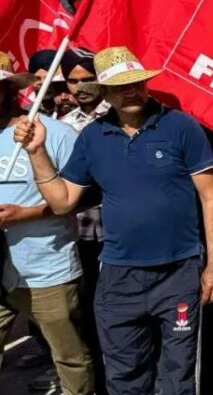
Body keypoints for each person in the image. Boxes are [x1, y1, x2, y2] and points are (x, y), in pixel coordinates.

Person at [15, 46, 213, 395]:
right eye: (119, 86)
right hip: (118, 278)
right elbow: (63, 201)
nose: (130, 91)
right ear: (105, 92)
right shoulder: (92, 137)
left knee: (178, 379)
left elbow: (210, 197)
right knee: (125, 379)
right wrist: (37, 153)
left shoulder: (180, 126)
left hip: (179, 273)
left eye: (136, 82)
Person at [0, 53, 94, 395]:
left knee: (69, 357)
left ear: (10, 90)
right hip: (2, 271)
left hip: (46, 269)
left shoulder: (55, 133)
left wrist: (25, 215)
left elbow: (86, 197)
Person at [58, 46, 110, 394]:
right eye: (73, 81)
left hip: (118, 228)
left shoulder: (118, 116)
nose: (79, 87)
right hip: (81, 232)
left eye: (87, 78)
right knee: (90, 307)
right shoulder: (63, 125)